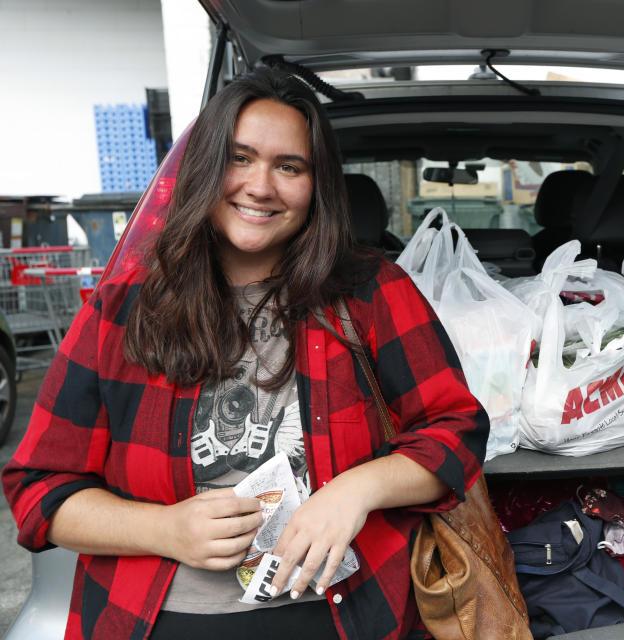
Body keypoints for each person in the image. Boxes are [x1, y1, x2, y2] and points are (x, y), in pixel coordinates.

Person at [2, 67, 489, 640]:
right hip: (154, 622)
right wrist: (164, 529)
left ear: (317, 186)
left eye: (290, 166)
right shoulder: (123, 308)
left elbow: (456, 431)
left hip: (344, 616)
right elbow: (38, 491)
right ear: (204, 168)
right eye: (239, 158)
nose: (261, 186)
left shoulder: (371, 293)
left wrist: (356, 491)